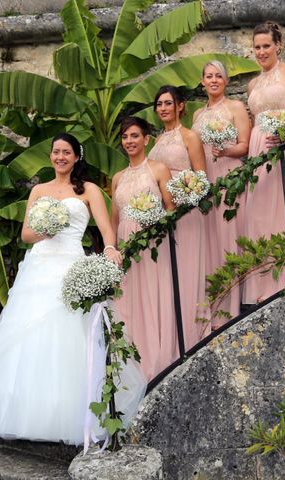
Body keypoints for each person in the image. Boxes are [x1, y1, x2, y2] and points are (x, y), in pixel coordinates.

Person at [0, 133, 145, 445]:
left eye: (66, 152)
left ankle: (69, 412)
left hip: (70, 265)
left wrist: (111, 248)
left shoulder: (89, 190)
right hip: (38, 267)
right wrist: (47, 227)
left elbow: (105, 229)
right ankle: (23, 410)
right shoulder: (39, 190)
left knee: (68, 336)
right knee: (27, 337)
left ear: (76, 157)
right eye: (56, 152)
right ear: (51, 156)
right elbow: (26, 235)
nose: (60, 157)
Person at [242, 21, 285, 304]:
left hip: (284, 146)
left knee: (283, 208)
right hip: (258, 149)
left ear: (278, 45)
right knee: (258, 213)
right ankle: (261, 286)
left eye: (266, 46)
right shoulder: (252, 84)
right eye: (257, 47)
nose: (261, 52)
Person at [111, 116, 178, 380]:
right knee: (128, 299)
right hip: (126, 244)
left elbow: (171, 209)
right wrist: (114, 249)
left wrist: (154, 223)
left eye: (135, 135)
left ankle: (159, 359)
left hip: (153, 241)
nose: (129, 141)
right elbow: (115, 218)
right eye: (125, 136)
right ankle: (132, 363)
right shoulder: (117, 178)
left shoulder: (159, 169)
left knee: (153, 294)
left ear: (146, 139)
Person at [149, 85, 210, 349]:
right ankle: (173, 333)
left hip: (186, 211)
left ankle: (194, 332)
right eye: (159, 104)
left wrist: (182, 194)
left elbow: (202, 178)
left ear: (180, 106)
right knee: (167, 274)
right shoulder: (155, 142)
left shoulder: (190, 137)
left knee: (187, 270)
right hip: (162, 214)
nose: (163, 108)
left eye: (167, 103)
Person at [192, 61, 251, 325]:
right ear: (202, 82)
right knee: (209, 238)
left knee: (230, 233)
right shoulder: (196, 116)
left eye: (219, 76)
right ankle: (214, 303)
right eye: (209, 76)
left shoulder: (236, 107)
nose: (213, 80)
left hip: (229, 173)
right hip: (205, 179)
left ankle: (235, 301)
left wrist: (225, 151)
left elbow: (245, 145)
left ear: (226, 81)